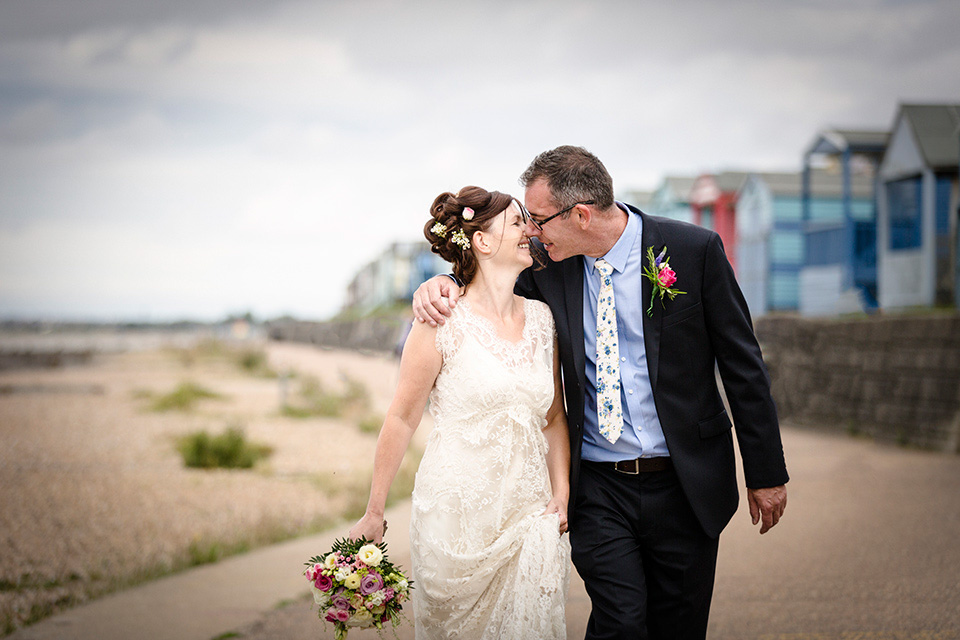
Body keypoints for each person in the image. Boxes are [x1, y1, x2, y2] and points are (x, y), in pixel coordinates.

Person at [412, 146, 789, 640]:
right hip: (598, 487)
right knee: (621, 621)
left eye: (538, 219)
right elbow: (486, 279)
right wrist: (441, 282)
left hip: (686, 481)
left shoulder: (694, 251)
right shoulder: (549, 268)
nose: (531, 231)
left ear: (582, 215)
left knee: (680, 625)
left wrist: (765, 472)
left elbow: (743, 367)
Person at [348, 186, 572, 640]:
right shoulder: (439, 320)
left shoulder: (544, 320)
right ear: (483, 242)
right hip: (455, 517)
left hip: (529, 516)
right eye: (517, 222)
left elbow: (553, 419)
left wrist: (562, 495)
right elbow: (401, 417)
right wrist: (374, 511)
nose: (531, 230)